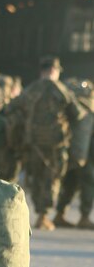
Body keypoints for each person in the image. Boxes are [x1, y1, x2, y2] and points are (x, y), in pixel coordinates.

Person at [10, 56, 83, 230]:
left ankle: (38, 213)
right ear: (55, 71)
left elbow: (13, 108)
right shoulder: (61, 89)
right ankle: (44, 215)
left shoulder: (30, 89)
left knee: (36, 177)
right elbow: (77, 114)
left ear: (41, 71)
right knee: (52, 179)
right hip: (55, 145)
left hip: (33, 143)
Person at [53, 78, 94, 229]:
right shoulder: (89, 110)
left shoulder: (69, 107)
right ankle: (84, 217)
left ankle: (60, 214)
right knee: (88, 183)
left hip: (69, 153)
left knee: (70, 184)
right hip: (85, 156)